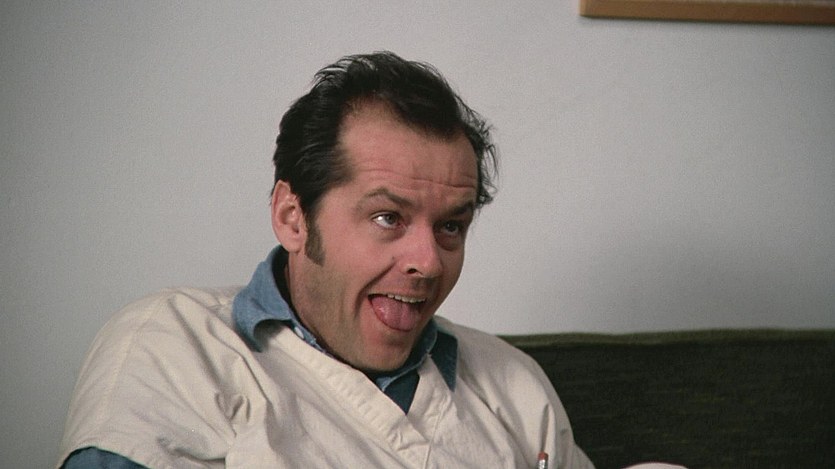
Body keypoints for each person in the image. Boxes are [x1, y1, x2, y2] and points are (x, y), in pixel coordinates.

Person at [58, 51, 594, 468]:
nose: (429, 262)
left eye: (451, 226)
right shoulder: (175, 346)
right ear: (293, 217)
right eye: (388, 217)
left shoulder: (514, 384)